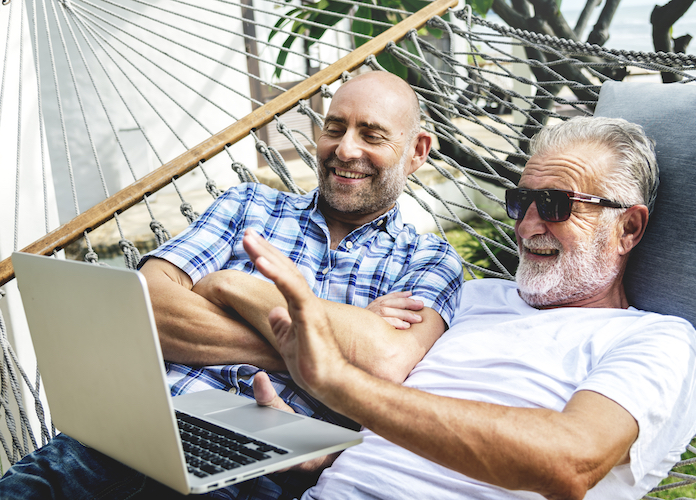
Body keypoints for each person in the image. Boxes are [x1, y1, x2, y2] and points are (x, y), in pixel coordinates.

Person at [0, 70, 463, 499]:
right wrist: (320, 351)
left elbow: (384, 363)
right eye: (335, 128)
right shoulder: (248, 205)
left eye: (372, 134)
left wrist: (232, 287)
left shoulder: (429, 261)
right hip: (139, 425)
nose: (345, 149)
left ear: (417, 151)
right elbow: (144, 311)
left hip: (266, 461)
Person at [243, 116, 696, 500]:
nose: (527, 227)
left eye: (555, 205)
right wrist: (323, 452)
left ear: (627, 227)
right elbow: (404, 435)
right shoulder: (472, 297)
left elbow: (570, 461)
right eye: (522, 201)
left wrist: (340, 384)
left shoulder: (658, 339)